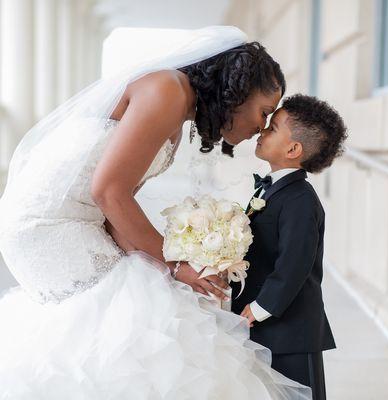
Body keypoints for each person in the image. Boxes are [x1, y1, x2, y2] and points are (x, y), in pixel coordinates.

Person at [0, 27, 312, 399]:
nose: (261, 126)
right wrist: (174, 263)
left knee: (153, 307)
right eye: (263, 112)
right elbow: (109, 192)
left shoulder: (178, 106)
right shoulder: (166, 91)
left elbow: (115, 201)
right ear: (238, 91)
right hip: (47, 227)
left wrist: (167, 262)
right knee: (139, 320)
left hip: (80, 220)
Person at [232, 94, 348, 400]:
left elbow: (294, 265)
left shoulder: (300, 200)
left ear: (293, 149)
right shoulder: (272, 189)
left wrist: (258, 308)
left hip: (291, 329)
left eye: (272, 128)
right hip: (267, 326)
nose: (262, 131)